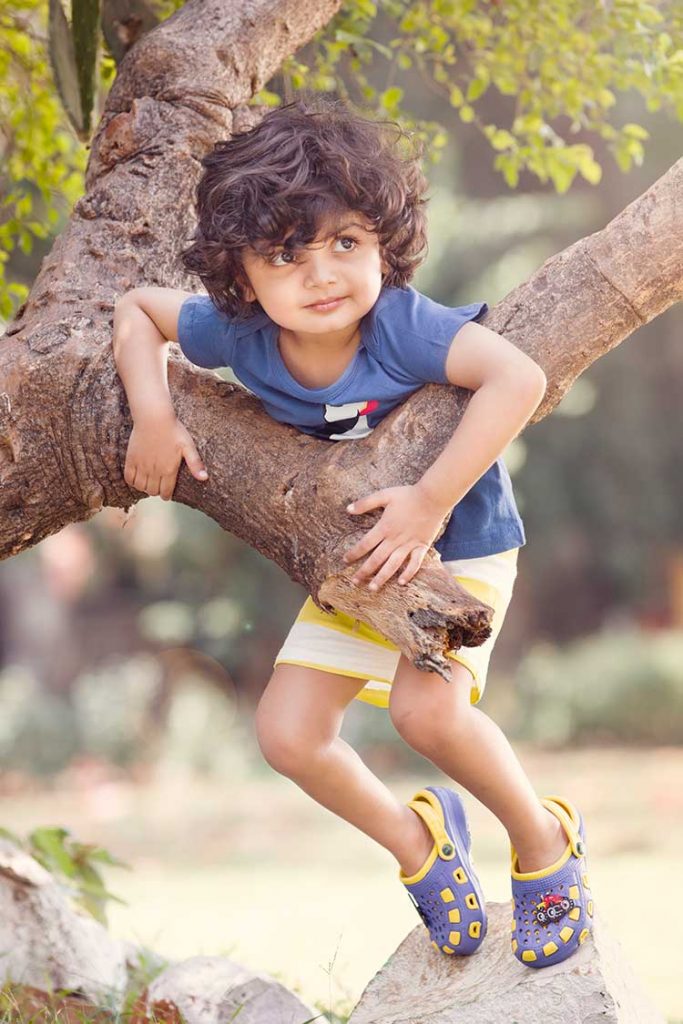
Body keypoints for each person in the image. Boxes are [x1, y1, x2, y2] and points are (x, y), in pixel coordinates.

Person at [112, 95, 594, 967]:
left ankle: (543, 840)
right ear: (239, 274)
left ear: (383, 242)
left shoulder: (402, 325)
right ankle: (419, 844)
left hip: (462, 542)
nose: (322, 273)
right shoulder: (241, 337)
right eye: (285, 255)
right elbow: (137, 311)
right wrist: (153, 416)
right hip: (354, 563)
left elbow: (515, 380)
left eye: (345, 242)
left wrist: (428, 503)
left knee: (426, 714)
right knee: (288, 737)